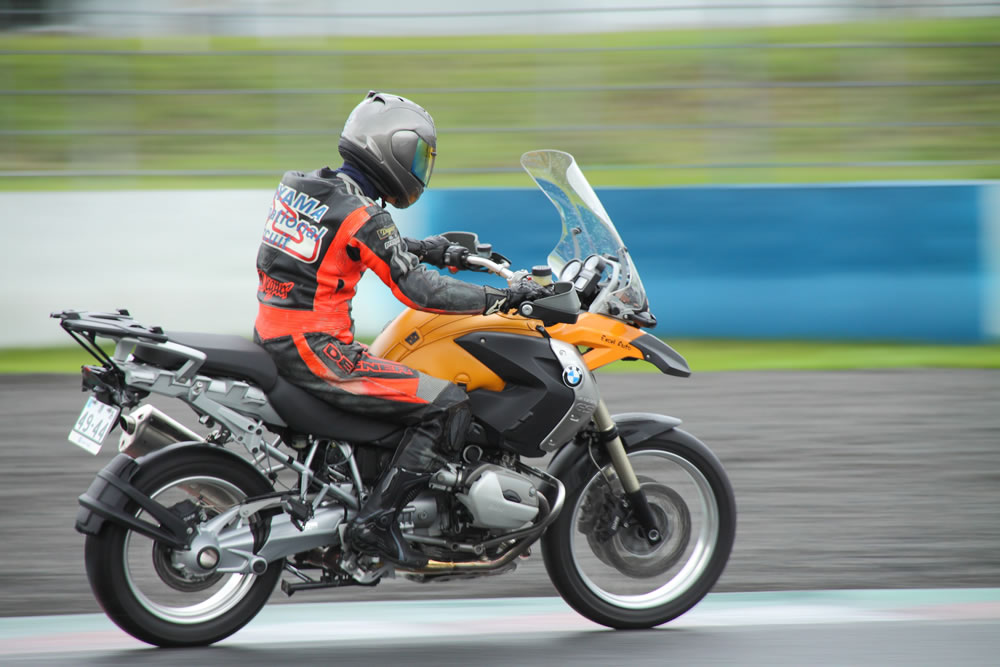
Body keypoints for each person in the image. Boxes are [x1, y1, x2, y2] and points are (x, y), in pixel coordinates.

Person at [253, 90, 549, 570]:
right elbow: (420, 290)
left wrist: (431, 249)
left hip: (276, 336)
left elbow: (357, 239)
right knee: (446, 405)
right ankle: (375, 524)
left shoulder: (308, 188)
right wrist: (502, 298)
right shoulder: (361, 214)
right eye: (416, 155)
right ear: (389, 147)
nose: (418, 167)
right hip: (315, 350)